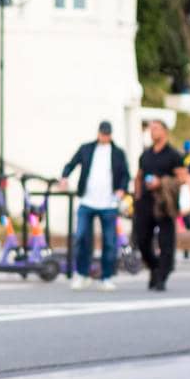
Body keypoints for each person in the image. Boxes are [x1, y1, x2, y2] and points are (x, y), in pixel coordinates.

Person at [60, 120, 129, 292]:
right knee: (82, 237)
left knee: (109, 242)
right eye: (102, 133)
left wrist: (121, 189)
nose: (104, 137)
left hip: (108, 203)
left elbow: (125, 175)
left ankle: (106, 277)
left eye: (107, 134)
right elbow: (71, 163)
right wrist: (65, 176)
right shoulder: (87, 148)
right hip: (87, 201)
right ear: (98, 133)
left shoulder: (118, 153)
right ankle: (82, 274)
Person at [134, 119, 185, 292]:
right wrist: (137, 197)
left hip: (165, 203)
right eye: (151, 129)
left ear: (164, 131)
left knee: (166, 242)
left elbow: (183, 178)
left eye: (156, 129)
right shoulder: (146, 154)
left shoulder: (173, 155)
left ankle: (162, 275)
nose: (152, 132)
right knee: (142, 240)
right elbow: (139, 176)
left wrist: (161, 182)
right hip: (146, 202)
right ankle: (154, 267)